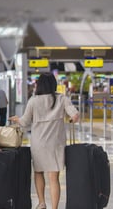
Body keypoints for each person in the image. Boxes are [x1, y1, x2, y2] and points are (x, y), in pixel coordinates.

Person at [10, 73, 79, 209]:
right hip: (56, 144)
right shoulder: (61, 99)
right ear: (54, 84)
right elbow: (75, 116)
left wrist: (17, 119)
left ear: (39, 85)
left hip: (39, 143)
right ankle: (54, 207)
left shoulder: (33, 100)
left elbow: (24, 122)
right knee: (54, 179)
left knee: (38, 172)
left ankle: (41, 203)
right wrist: (70, 119)